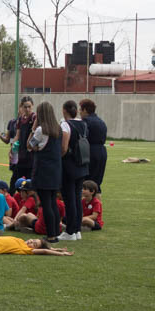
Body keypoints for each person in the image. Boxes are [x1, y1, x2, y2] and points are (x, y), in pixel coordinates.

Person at [28, 101, 63, 243]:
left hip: (43, 170)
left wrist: (32, 129)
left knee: (46, 204)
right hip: (55, 169)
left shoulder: (40, 130)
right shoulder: (58, 129)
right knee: (53, 203)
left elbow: (30, 145)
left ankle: (51, 235)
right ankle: (55, 233)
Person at [58, 100, 89, 242]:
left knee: (69, 199)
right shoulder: (83, 124)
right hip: (81, 163)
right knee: (77, 198)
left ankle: (70, 231)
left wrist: (59, 157)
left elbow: (64, 147)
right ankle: (77, 230)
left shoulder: (66, 125)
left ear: (64, 110)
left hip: (69, 165)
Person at [0, 96, 36, 192]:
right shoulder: (20, 120)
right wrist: (12, 150)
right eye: (25, 107)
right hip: (21, 156)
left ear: (32, 106)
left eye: (29, 106)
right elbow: (17, 136)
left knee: (30, 184)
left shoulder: (34, 118)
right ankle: (12, 198)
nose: (27, 109)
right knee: (14, 182)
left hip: (31, 156)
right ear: (21, 107)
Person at [79, 98, 108, 191]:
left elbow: (82, 138)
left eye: (80, 109)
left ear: (85, 110)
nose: (79, 112)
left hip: (91, 152)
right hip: (102, 151)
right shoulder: (101, 122)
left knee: (87, 183)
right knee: (97, 184)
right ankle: (98, 200)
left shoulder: (86, 122)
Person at [0, 236, 73, 256]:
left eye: (34, 244)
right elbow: (47, 248)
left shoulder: (24, 249)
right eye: (33, 240)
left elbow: (45, 251)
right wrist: (57, 249)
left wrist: (62, 254)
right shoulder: (21, 241)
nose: (31, 242)